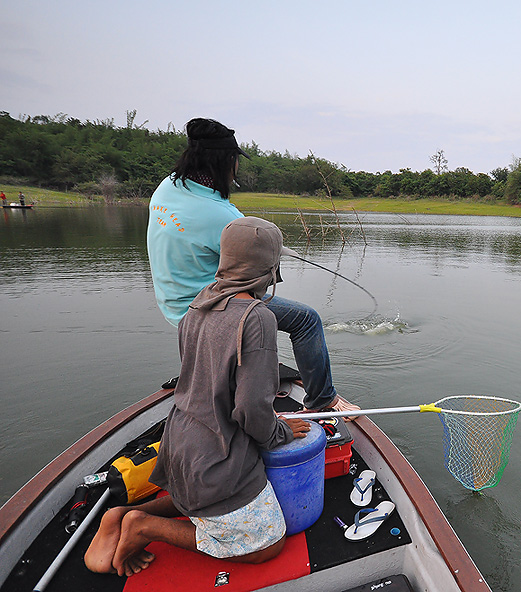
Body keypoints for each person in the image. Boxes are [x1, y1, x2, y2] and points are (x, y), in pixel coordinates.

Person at [85, 217, 313, 576]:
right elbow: (252, 409)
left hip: (178, 448)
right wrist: (280, 433)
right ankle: (144, 526)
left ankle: (119, 515)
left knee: (195, 498)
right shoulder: (258, 318)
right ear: (271, 268)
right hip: (216, 459)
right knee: (268, 544)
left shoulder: (198, 303)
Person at [146, 117, 358, 417]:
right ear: (226, 162)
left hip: (173, 303)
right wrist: (274, 252)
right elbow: (258, 272)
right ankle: (323, 399)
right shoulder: (221, 215)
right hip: (209, 307)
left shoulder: (169, 187)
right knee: (306, 320)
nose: (237, 168)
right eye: (235, 161)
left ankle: (241, 374)